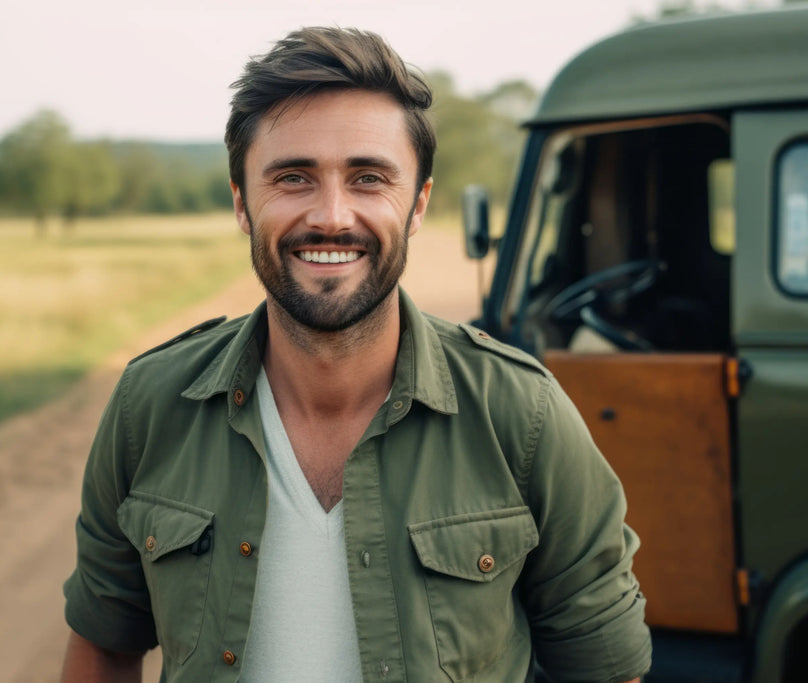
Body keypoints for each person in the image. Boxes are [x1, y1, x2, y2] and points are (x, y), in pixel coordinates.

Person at [60, 27, 651, 682]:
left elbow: (605, 669)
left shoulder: (523, 417)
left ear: (418, 205)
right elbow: (105, 647)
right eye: (292, 177)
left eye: (369, 178)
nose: (332, 215)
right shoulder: (150, 406)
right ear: (241, 204)